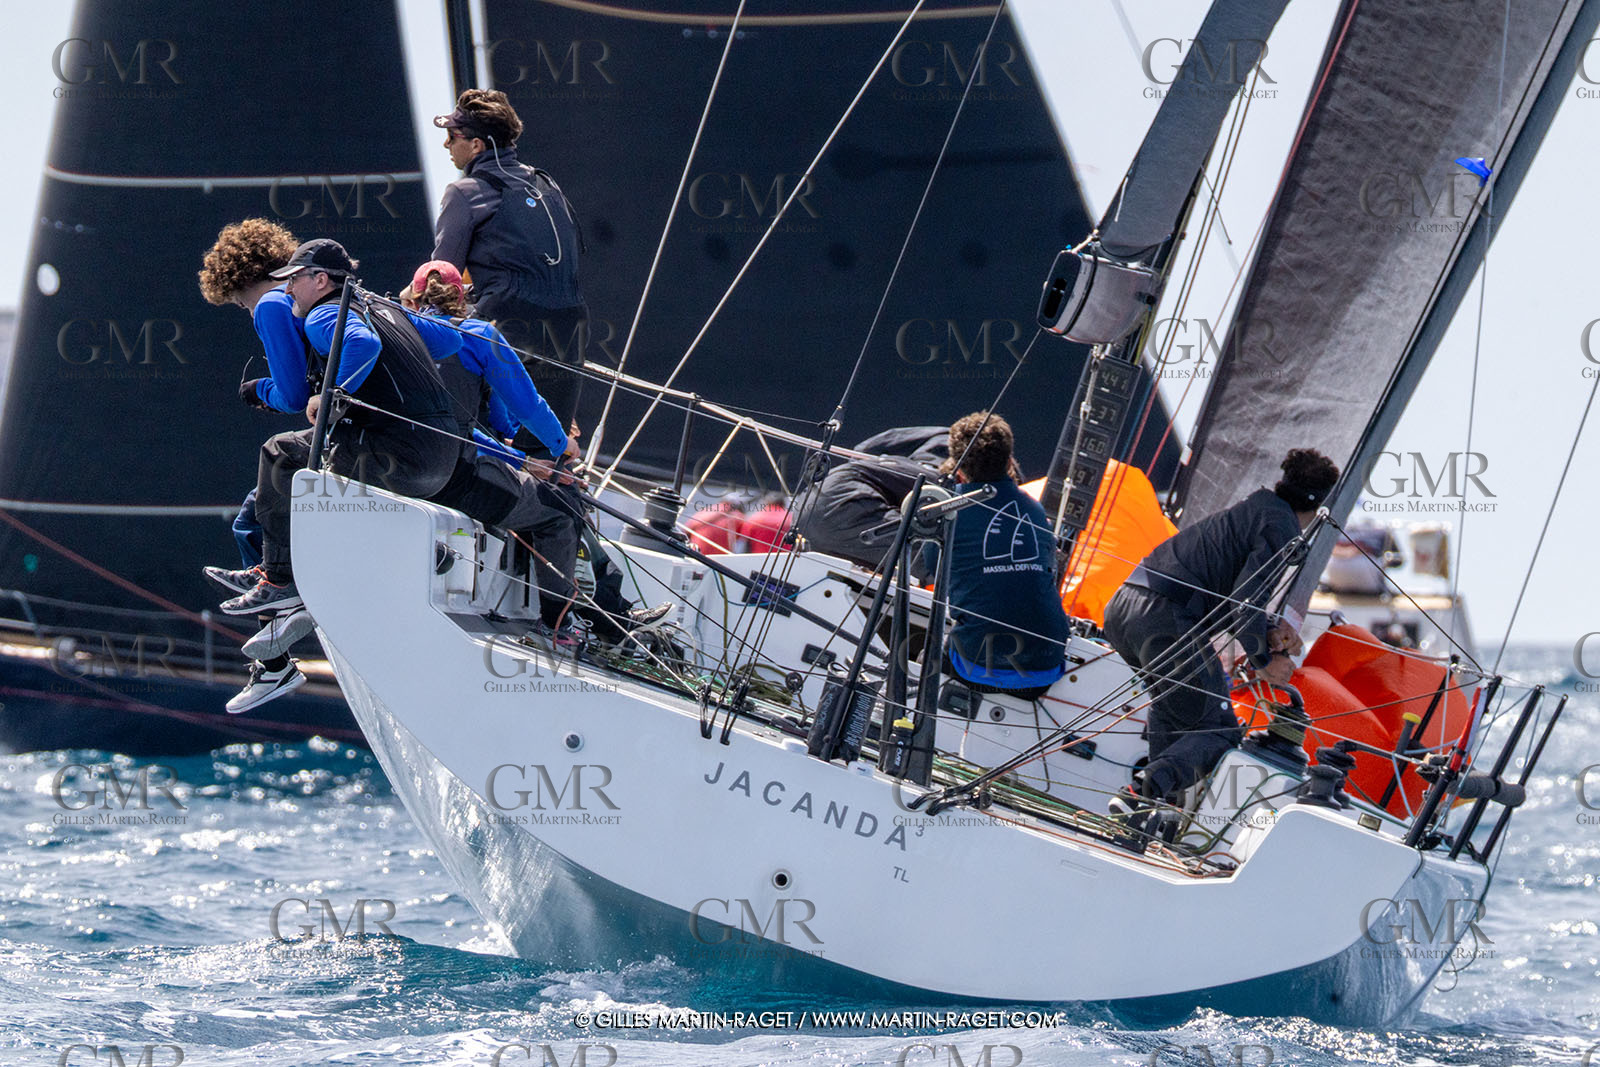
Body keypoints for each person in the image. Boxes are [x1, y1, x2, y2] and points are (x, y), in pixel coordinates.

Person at [206, 239, 466, 712]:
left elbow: (299, 388)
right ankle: (292, 600)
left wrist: (304, 394)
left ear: (317, 280)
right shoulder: (376, 304)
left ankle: (282, 595)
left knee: (278, 462)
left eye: (293, 282)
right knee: (279, 496)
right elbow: (452, 340)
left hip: (398, 452)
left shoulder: (307, 310)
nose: (286, 294)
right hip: (443, 457)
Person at [406, 261, 667, 644]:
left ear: (413, 300)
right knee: (563, 509)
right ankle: (561, 627)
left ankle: (603, 604)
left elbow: (468, 424)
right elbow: (524, 408)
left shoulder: (397, 333)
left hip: (405, 463)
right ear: (463, 300)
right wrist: (557, 447)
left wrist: (521, 457)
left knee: (555, 489)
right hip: (452, 477)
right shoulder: (477, 335)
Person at [1101, 447, 1340, 808]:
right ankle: (1141, 794)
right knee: (1221, 729)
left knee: (1175, 711)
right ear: (1320, 504)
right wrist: (1264, 661)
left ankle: (1152, 811)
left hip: (1124, 606)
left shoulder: (1255, 508)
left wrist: (1270, 630)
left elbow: (1233, 599)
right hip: (1163, 617)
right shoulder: (1282, 526)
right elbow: (1245, 602)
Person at [197, 219, 321, 711]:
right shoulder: (296, 293)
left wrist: (258, 392)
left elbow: (292, 394)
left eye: (236, 302)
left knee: (250, 523)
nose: (243, 310)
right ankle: (276, 642)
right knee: (254, 518)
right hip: (351, 428)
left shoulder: (270, 303)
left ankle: (276, 649)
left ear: (238, 281)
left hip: (335, 433)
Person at [431, 89, 587, 447]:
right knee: (543, 455)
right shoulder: (549, 185)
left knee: (482, 437)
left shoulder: (465, 191)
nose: (445, 144)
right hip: (570, 330)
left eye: (453, 136)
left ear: (476, 147)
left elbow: (443, 279)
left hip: (507, 326)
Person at [927, 412, 1069, 699]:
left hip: (976, 667)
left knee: (923, 656)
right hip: (1044, 669)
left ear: (960, 471)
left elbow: (929, 570)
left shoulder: (948, 514)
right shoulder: (1035, 510)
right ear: (1008, 462)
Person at [793, 425, 948, 568]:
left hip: (812, 501)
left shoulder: (939, 439)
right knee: (940, 558)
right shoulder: (946, 478)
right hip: (846, 504)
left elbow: (868, 447)